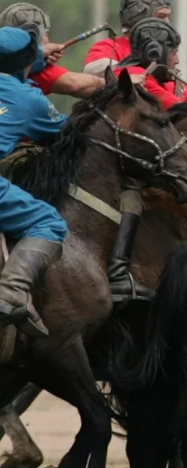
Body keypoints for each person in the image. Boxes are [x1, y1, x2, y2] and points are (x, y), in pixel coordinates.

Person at [105, 18, 187, 303]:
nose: (177, 58)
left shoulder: (156, 79)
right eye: (174, 51)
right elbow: (185, 110)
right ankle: (118, 272)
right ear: (154, 52)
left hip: (137, 163)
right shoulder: (134, 78)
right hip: (117, 171)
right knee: (132, 197)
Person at [0, 27, 68, 338]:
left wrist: (37, 57)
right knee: (49, 222)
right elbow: (63, 136)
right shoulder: (30, 100)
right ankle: (10, 293)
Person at [0, 3, 138, 98]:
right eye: (46, 34)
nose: (48, 39)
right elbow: (74, 84)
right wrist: (121, 82)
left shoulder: (11, 62)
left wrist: (38, 57)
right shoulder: (35, 71)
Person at [83, 0, 172, 77]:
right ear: (137, 17)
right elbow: (93, 69)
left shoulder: (163, 54)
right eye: (161, 17)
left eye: (168, 17)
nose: (168, 22)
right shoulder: (109, 47)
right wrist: (141, 74)